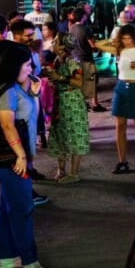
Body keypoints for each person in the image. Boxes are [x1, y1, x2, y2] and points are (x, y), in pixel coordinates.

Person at [0, 46, 48, 268]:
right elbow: (7, 125)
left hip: (15, 155)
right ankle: (29, 262)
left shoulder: (17, 88)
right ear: (14, 66)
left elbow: (31, 119)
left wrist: (35, 95)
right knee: (22, 209)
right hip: (9, 157)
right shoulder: (6, 90)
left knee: (9, 207)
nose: (32, 69)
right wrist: (21, 155)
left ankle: (7, 256)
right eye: (28, 65)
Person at [98, 24, 135, 174]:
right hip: (121, 87)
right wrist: (114, 40)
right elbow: (98, 44)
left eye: (129, 38)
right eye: (124, 38)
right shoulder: (119, 48)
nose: (127, 41)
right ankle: (122, 161)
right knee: (120, 125)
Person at [44, 33, 89, 184]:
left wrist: (59, 78)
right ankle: (61, 170)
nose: (52, 42)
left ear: (63, 47)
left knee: (75, 135)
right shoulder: (58, 60)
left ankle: (74, 173)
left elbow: (79, 82)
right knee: (60, 134)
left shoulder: (72, 61)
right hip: (60, 101)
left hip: (72, 101)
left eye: (56, 41)